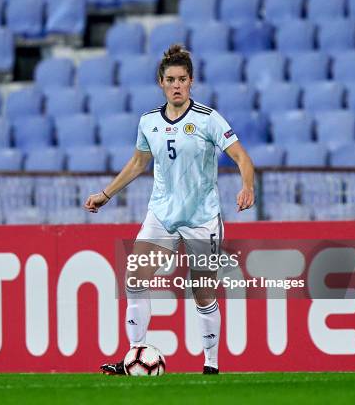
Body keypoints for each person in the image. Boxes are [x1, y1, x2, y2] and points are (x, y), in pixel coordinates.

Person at [84, 44, 255, 375]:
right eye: (170, 79)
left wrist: (247, 186)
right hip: (162, 215)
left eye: (182, 79)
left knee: (202, 292)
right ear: (161, 83)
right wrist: (106, 193)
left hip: (202, 218)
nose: (177, 85)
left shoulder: (208, 119)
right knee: (134, 276)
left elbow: (242, 157)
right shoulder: (148, 122)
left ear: (191, 81)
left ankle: (211, 364)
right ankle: (135, 354)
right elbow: (138, 162)